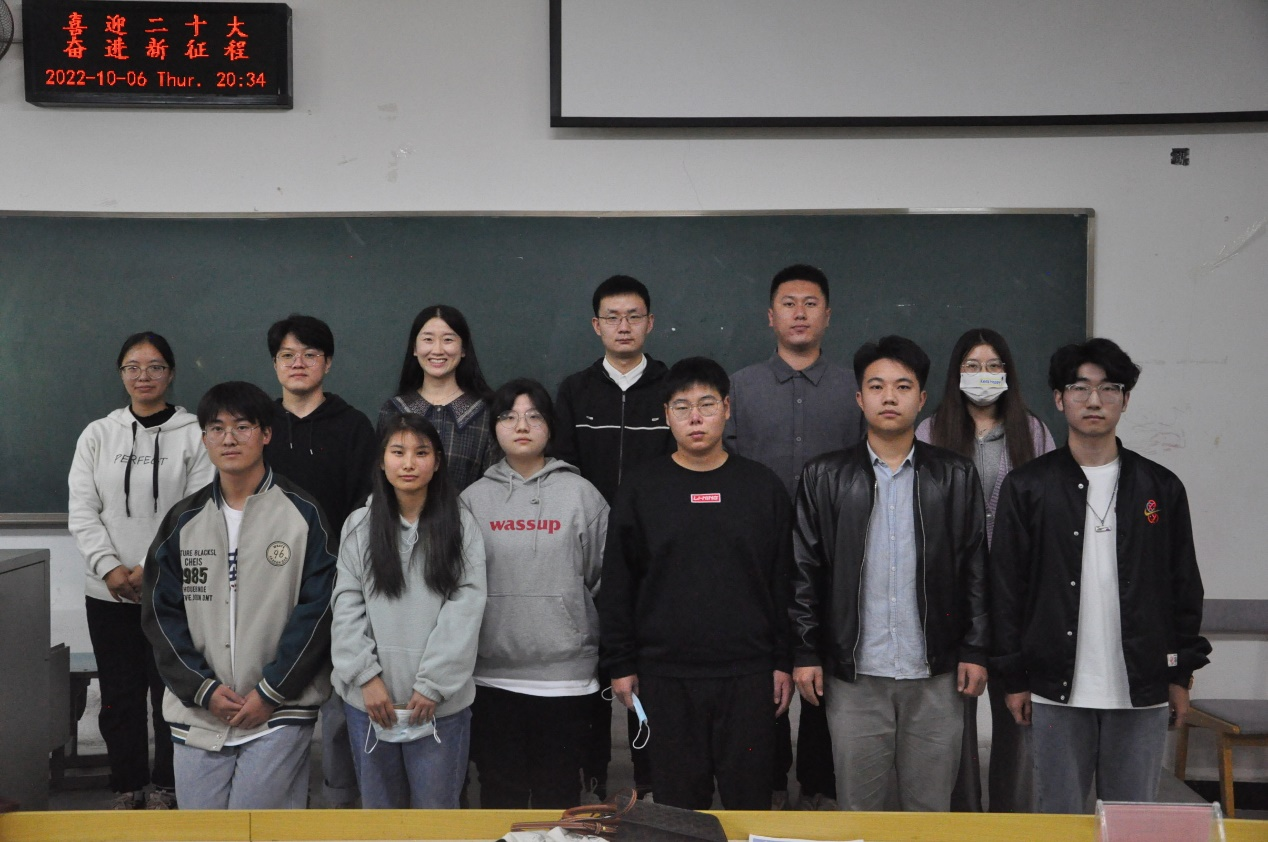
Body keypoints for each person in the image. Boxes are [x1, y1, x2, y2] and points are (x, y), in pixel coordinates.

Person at [991, 338, 1210, 813]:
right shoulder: (1027, 486)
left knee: (1132, 821)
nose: (1094, 400)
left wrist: (1180, 675)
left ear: (1125, 400)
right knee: (1059, 820)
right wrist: (1014, 677)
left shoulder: (1161, 487)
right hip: (1054, 687)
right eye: (1080, 388)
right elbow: (1006, 590)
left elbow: (1184, 587)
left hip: (1141, 686)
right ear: (1059, 398)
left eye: (1109, 388)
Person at [791, 336, 989, 813]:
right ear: (860, 398)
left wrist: (976, 648)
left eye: (903, 386)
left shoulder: (955, 475)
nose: (889, 397)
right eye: (876, 386)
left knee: (930, 811)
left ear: (922, 399)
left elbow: (975, 568)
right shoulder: (824, 476)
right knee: (860, 811)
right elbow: (804, 572)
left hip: (935, 673)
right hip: (855, 675)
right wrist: (805, 650)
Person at [600, 357, 793, 811]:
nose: (695, 417)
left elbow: (784, 581)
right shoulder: (641, 488)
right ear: (666, 415)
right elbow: (619, 583)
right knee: (678, 812)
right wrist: (620, 663)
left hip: (748, 675)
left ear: (726, 408)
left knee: (750, 804)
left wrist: (784, 660)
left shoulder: (761, 486)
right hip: (665, 677)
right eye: (682, 407)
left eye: (707, 404)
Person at [141, 381, 336, 810]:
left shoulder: (302, 514)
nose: (229, 438)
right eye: (217, 428)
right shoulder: (182, 520)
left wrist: (271, 690)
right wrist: (203, 688)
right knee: (203, 833)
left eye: (242, 426)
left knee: (260, 829)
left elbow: (319, 610)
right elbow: (160, 613)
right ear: (204, 439)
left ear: (266, 434)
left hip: (278, 709)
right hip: (199, 710)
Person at [724, 263, 862, 810]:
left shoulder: (857, 389)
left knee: (827, 677)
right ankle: (771, 786)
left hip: (837, 560)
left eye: (810, 303)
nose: (799, 313)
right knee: (766, 678)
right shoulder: (738, 387)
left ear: (828, 315)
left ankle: (820, 790)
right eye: (788, 303)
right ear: (770, 316)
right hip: (756, 562)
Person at [68, 332, 213, 810]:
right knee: (119, 695)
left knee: (172, 693)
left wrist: (152, 569)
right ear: (121, 374)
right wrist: (109, 568)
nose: (143, 376)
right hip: (108, 593)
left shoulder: (195, 434)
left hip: (173, 591)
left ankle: (169, 785)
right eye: (133, 367)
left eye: (154, 367)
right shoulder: (98, 434)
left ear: (171, 373)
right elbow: (82, 510)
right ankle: (126, 785)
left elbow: (198, 511)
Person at [915, 327, 1056, 812]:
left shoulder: (1033, 432)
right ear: (956, 374)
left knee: (1019, 715)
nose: (984, 375)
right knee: (955, 719)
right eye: (972, 366)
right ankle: (966, 819)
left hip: (1018, 598)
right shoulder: (930, 432)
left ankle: (1012, 824)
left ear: (1008, 373)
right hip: (954, 599)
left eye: (994, 366)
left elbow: (1049, 513)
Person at [462, 379, 608, 808]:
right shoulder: (472, 500)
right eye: (508, 417)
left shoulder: (582, 495)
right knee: (499, 795)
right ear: (494, 428)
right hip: (491, 677)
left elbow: (601, 577)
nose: (521, 426)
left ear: (551, 426)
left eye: (533, 416)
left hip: (565, 680)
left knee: (559, 797)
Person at [554, 274, 673, 797]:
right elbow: (563, 470)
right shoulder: (575, 390)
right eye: (612, 317)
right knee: (592, 674)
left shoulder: (672, 388)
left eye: (633, 316)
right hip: (587, 557)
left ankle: (649, 786)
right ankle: (594, 783)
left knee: (647, 674)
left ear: (650, 323)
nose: (623, 326)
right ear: (596, 325)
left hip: (656, 557)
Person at [331, 413, 486, 809]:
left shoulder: (461, 526)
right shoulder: (359, 525)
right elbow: (345, 605)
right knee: (380, 820)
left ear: (437, 462)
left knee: (435, 822)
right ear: (382, 461)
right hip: (369, 703)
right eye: (398, 452)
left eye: (421, 452)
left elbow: (466, 608)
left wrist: (433, 684)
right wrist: (365, 677)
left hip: (438, 707)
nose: (409, 463)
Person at [264, 313, 376, 808]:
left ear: (327, 363)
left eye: (310, 354)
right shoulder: (257, 426)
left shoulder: (354, 426)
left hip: (337, 585)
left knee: (339, 707)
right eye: (287, 355)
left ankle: (339, 807)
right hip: (270, 585)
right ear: (275, 364)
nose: (298, 364)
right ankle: (279, 806)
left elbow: (364, 507)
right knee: (274, 698)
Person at [378, 304, 495, 492]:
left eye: (448, 339)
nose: (438, 350)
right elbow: (380, 482)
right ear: (415, 348)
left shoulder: (485, 412)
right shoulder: (393, 410)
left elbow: (494, 486)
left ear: (463, 349)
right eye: (428, 339)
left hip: (469, 511)